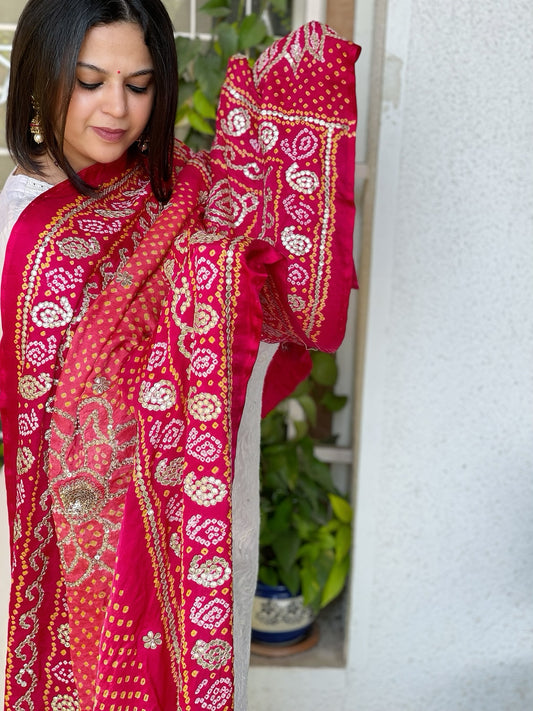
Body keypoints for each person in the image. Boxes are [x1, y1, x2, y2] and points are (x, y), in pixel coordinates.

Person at [0, 0, 361, 708]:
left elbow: (284, 308)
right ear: (41, 78)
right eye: (89, 81)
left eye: (138, 85)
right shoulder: (13, 222)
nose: (116, 109)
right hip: (38, 528)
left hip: (187, 523)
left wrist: (279, 149)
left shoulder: (183, 194)